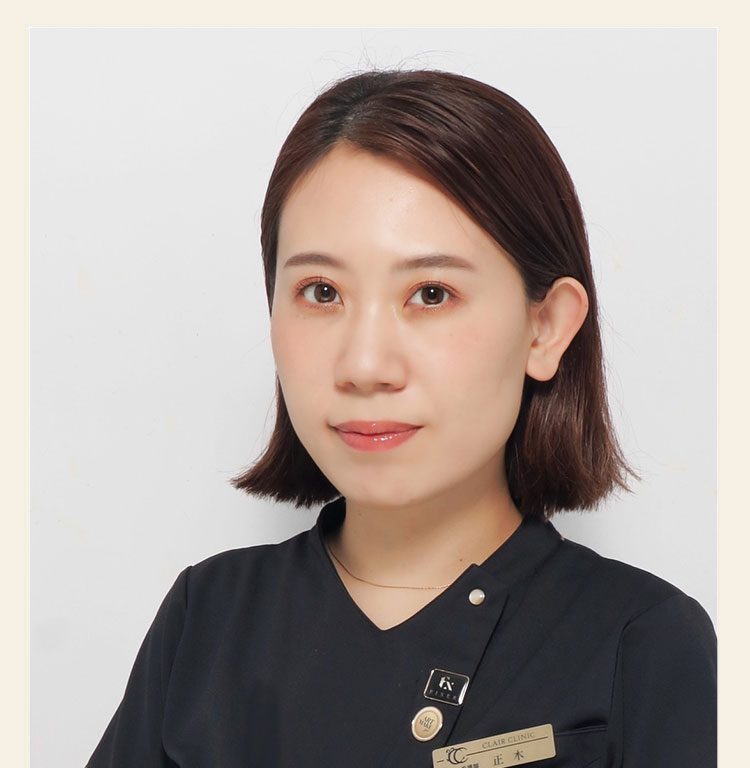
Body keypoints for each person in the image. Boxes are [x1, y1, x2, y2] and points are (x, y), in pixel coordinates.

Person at [87, 69, 716, 768]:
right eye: (320, 292)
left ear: (545, 328)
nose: (364, 365)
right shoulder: (207, 618)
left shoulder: (641, 643)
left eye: (431, 294)